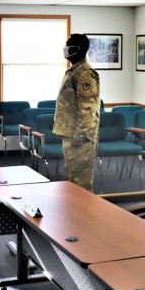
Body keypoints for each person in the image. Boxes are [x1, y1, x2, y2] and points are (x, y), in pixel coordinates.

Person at [53, 33, 101, 191]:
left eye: (69, 45)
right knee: (72, 182)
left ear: (78, 50)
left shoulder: (85, 74)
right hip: (72, 137)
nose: (65, 49)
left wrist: (78, 137)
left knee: (81, 187)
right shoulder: (74, 71)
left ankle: (85, 216)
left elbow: (88, 111)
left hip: (80, 140)